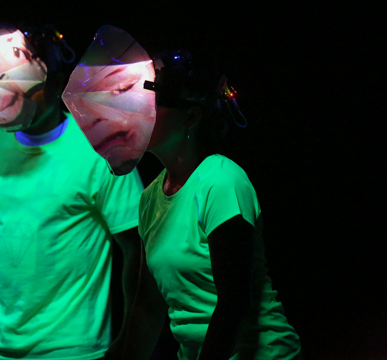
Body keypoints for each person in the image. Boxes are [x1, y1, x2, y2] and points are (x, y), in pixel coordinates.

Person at [65, 31, 302, 359]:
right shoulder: (150, 198)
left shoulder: (221, 181)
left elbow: (234, 302)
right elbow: (147, 308)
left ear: (191, 116)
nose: (133, 114)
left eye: (150, 103)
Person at [0, 23, 148, 360]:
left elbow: (136, 249)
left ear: (57, 83)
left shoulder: (99, 149)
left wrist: (130, 338)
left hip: (70, 350)